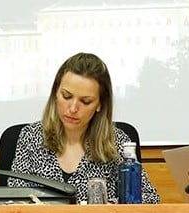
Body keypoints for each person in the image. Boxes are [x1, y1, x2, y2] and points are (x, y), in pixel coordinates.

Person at [8, 52, 159, 204]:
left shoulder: (116, 142)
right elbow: (13, 199)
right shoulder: (31, 137)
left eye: (86, 101)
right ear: (55, 93)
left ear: (100, 104)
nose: (73, 108)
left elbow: (150, 200)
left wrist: (108, 207)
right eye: (66, 96)